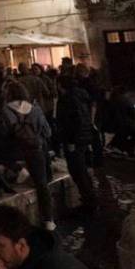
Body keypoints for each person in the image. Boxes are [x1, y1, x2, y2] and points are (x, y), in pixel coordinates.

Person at [0, 82, 55, 230]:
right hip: (36, 150)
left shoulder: (7, 110)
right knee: (42, 185)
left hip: (17, 151)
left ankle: (20, 170)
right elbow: (47, 132)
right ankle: (48, 220)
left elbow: (4, 132)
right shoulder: (35, 109)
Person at [55, 76, 97, 213]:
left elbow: (72, 121)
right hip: (85, 135)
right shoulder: (82, 94)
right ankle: (89, 198)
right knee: (82, 169)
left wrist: (71, 140)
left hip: (75, 139)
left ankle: (89, 202)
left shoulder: (67, 99)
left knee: (77, 170)